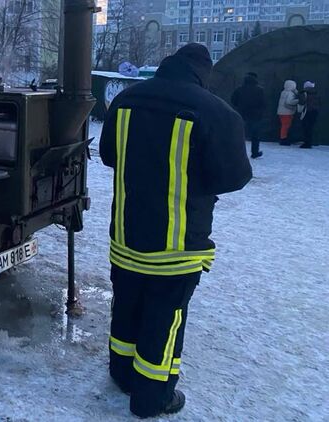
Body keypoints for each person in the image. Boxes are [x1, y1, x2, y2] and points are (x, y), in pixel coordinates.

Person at [100, 43, 252, 419]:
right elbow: (235, 177)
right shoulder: (216, 112)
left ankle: (121, 373)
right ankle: (151, 398)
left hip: (126, 236)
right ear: (203, 72)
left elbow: (108, 155)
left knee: (127, 305)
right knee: (164, 319)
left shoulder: (125, 100)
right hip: (176, 245)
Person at [231, 72, 266, 158]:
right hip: (255, 116)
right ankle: (255, 152)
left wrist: (239, 107)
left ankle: (236, 152)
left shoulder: (239, 89)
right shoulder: (260, 90)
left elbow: (233, 100)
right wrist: (260, 112)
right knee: (255, 136)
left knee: (240, 134)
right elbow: (263, 103)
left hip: (241, 114)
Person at [298, 81, 321, 149]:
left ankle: (307, 143)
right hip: (315, 112)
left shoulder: (304, 93)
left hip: (307, 111)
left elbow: (302, 102)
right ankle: (311, 142)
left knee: (306, 128)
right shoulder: (317, 93)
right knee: (311, 127)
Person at [277, 80, 300, 145]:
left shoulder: (283, 92)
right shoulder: (290, 93)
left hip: (281, 112)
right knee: (286, 126)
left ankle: (283, 138)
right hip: (287, 112)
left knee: (284, 126)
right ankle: (283, 139)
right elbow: (289, 102)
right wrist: (298, 100)